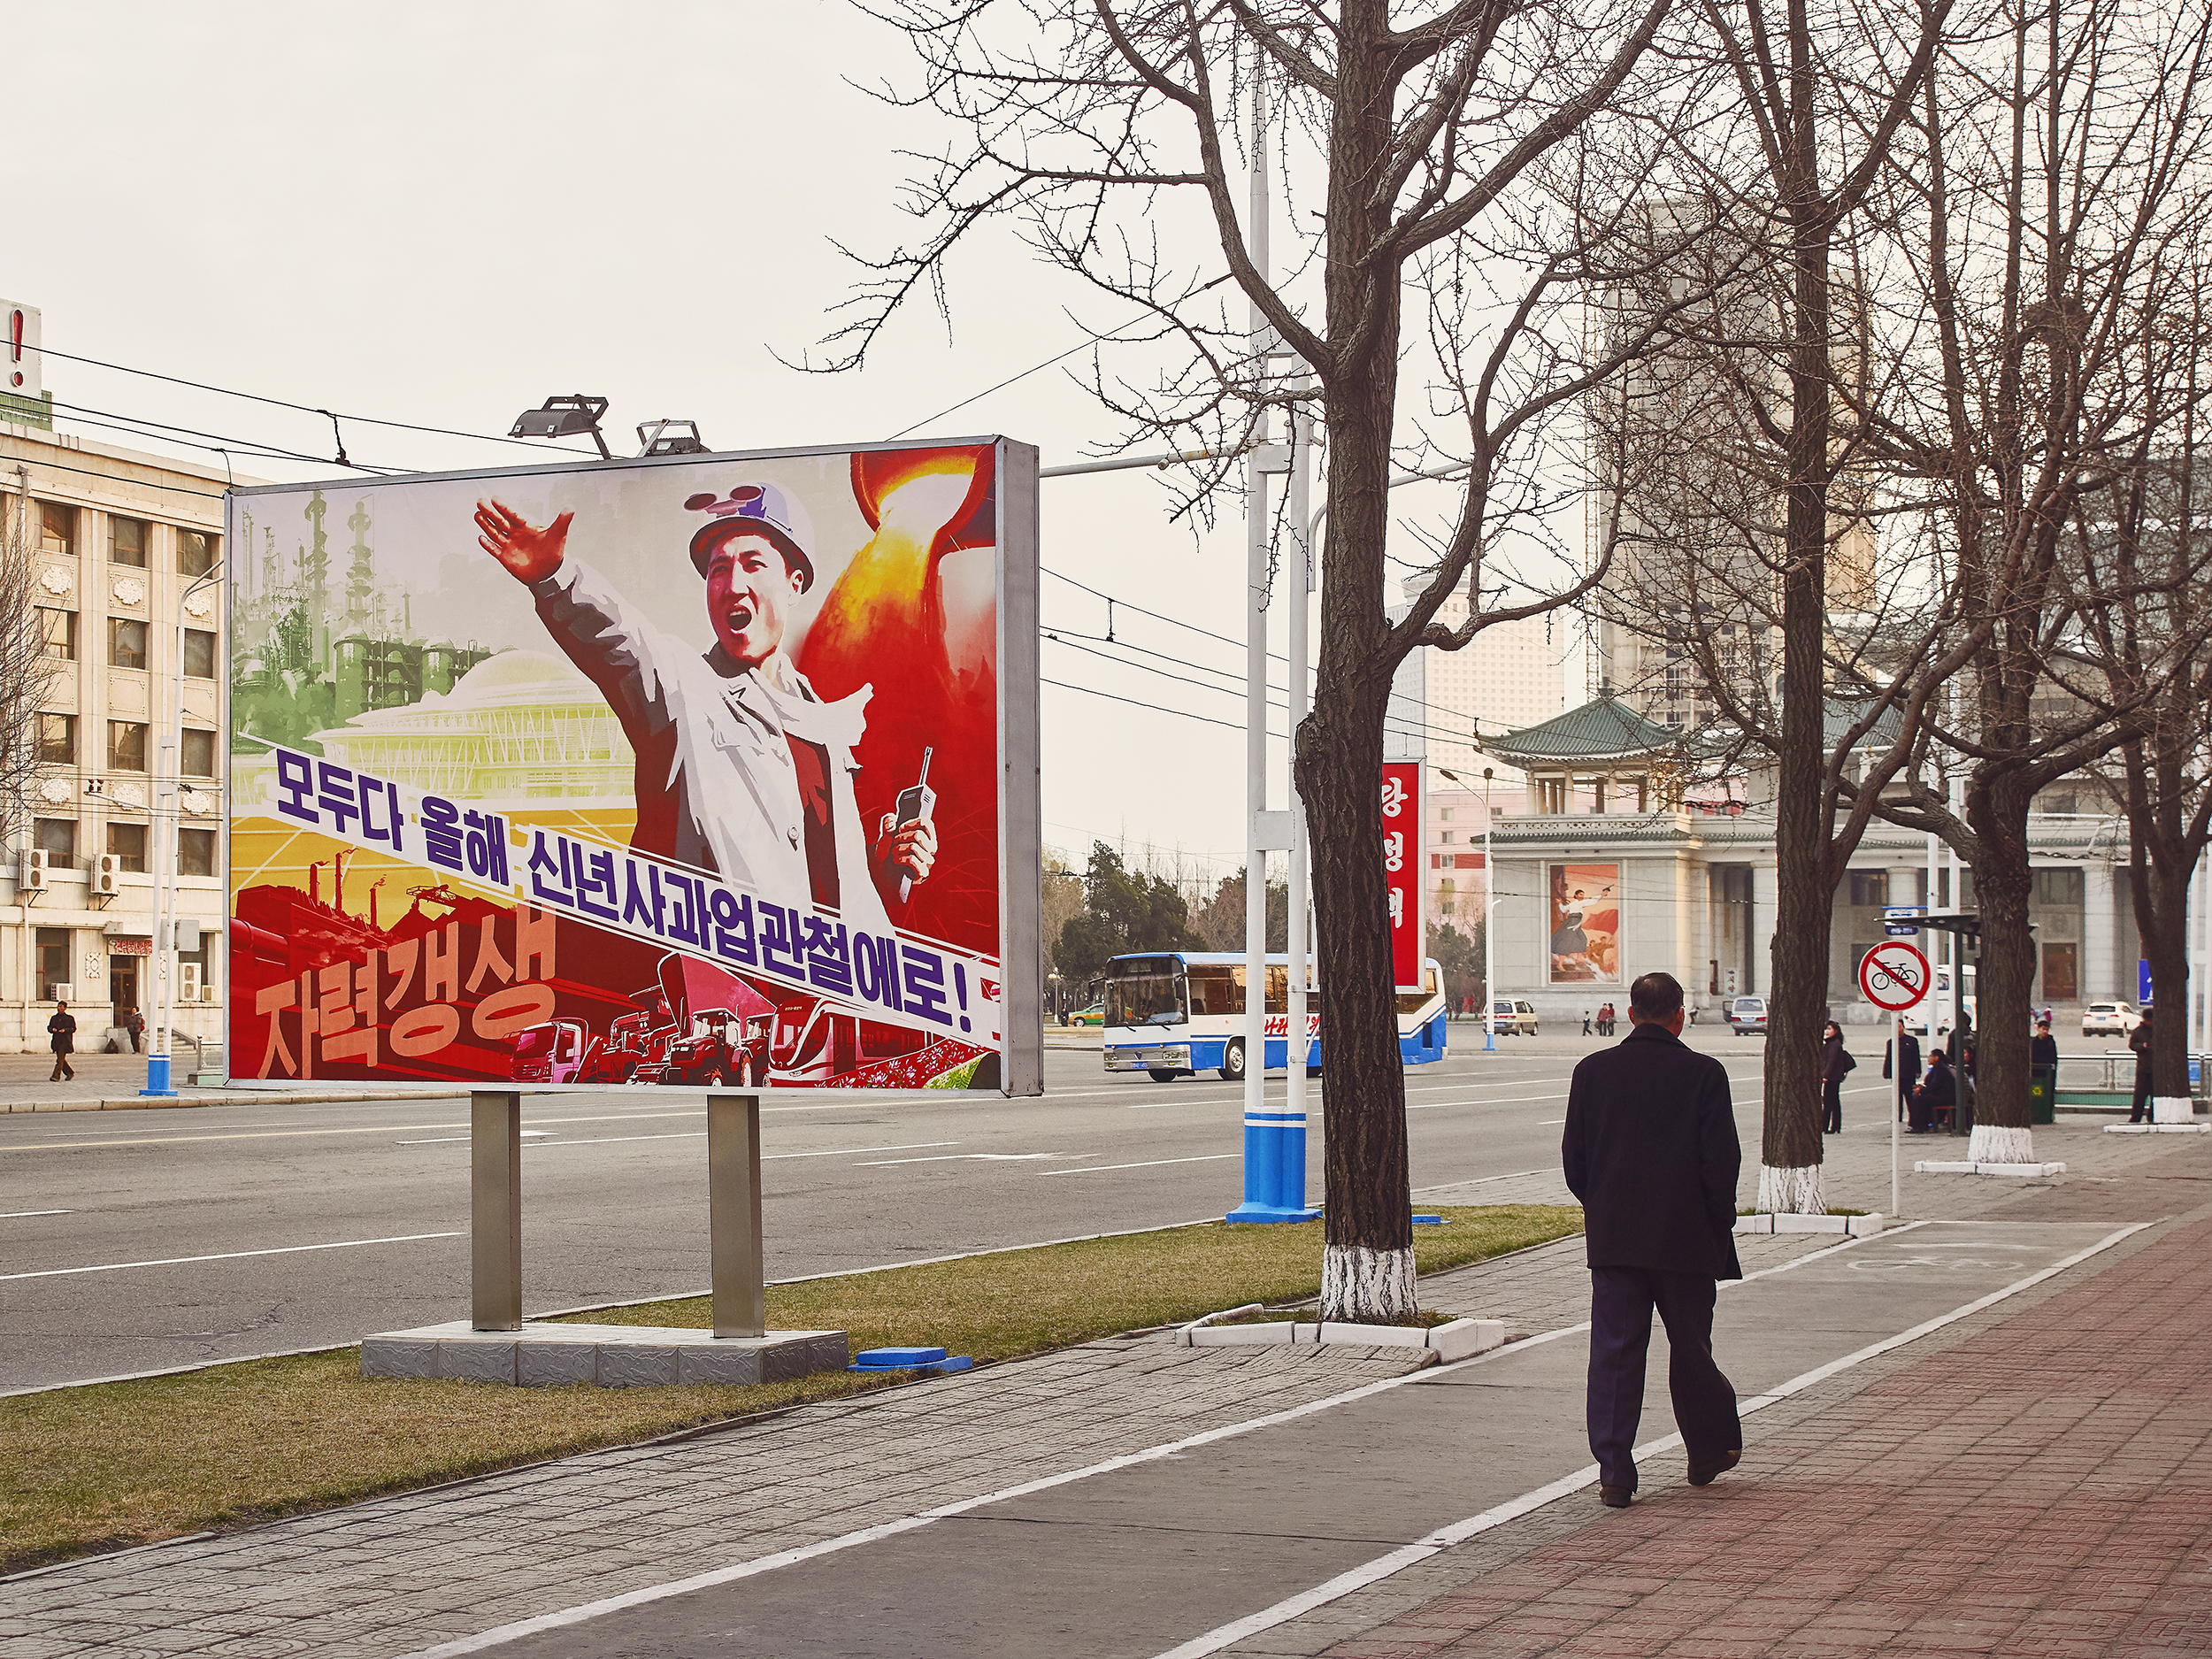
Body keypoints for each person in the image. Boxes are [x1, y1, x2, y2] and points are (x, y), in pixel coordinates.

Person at [474, 488, 935, 936]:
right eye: (719, 570)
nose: (733, 586)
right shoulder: (681, 687)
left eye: (753, 564)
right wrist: (555, 578)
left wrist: (884, 864)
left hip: (829, 982)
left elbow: (823, 880)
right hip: (719, 979)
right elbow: (620, 641)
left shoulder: (819, 719)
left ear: (794, 583)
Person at [1562, 970, 1743, 1509]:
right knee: (1691, 1347)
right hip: (1687, 1239)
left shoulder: (1591, 1072)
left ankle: (1615, 1472)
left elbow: (1575, 1160)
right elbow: (1722, 1162)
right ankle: (1708, 1450)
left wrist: (1604, 1206)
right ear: (1679, 1016)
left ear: (1630, 1013)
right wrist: (1717, 1223)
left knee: (1615, 1354)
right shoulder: (1705, 1074)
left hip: (1616, 1240)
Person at [1884, 1018, 1922, 1125]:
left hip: (1909, 1074)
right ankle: (1897, 1116)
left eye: (1899, 1026)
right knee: (1897, 1097)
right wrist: (1886, 1072)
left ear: (1903, 1027)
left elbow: (1916, 1056)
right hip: (1896, 1074)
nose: (1898, 1029)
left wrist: (1918, 1070)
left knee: (1910, 1097)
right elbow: (1888, 1058)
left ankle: (1913, 1117)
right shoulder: (1891, 1042)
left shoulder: (1911, 1041)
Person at [1821, 1020, 1855, 1134]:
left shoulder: (1834, 1044)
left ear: (1835, 1031)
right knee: (1834, 1101)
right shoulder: (1834, 1043)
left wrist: (1825, 1075)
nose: (1826, 1031)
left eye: (1829, 1029)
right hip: (1835, 1076)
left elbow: (1831, 1061)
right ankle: (1835, 1126)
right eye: (1826, 1029)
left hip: (1832, 1077)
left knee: (1828, 1102)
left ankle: (1825, 1126)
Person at [2128, 1007, 2155, 1123]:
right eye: (2147, 1020)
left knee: (2156, 1096)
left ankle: (2152, 1116)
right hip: (2143, 1068)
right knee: (2140, 1095)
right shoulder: (2138, 1031)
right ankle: (2136, 1117)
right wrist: (2142, 1046)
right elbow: (2132, 1045)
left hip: (2157, 1069)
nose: (2149, 1023)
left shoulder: (2160, 1030)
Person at [1919, 1048, 1956, 1133]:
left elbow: (1935, 1085)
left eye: (1931, 1056)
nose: (1929, 1058)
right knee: (1921, 1099)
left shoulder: (1940, 1068)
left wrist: (1922, 1091)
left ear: (1936, 1058)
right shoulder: (1937, 1068)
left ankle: (1920, 1125)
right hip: (1940, 1094)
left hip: (1945, 1096)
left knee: (1920, 1100)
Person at [48, 999, 77, 1082]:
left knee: (60, 1060)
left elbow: (73, 1029)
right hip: (57, 1041)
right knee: (60, 1059)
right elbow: (49, 1027)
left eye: (61, 1007)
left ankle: (56, 1076)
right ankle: (69, 1072)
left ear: (65, 1008)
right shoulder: (54, 1018)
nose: (59, 1008)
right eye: (58, 1006)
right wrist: (52, 1029)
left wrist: (65, 1030)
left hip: (65, 1041)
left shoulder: (69, 1018)